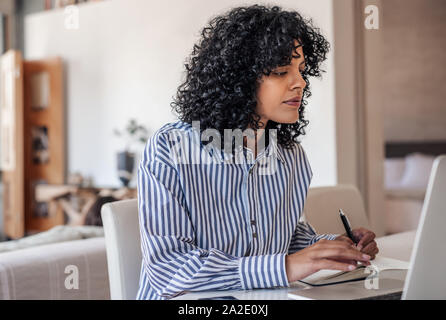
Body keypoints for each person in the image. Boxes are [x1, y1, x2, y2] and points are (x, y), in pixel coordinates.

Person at [136, 4, 378, 300]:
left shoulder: (290, 155)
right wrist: (286, 267)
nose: (300, 82)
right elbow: (169, 270)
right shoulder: (170, 147)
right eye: (280, 71)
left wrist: (334, 246)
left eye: (301, 70)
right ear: (237, 78)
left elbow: (285, 239)